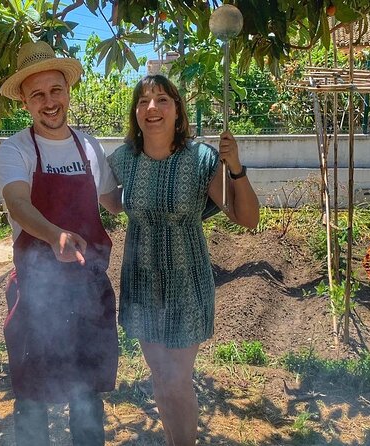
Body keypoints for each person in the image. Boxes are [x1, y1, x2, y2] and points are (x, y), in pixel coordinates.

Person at [107, 74, 260, 445]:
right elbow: (110, 201)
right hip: (141, 282)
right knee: (160, 376)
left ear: (178, 110)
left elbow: (247, 218)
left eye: (162, 99)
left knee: (177, 379)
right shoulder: (123, 159)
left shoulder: (201, 159)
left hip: (185, 283)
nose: (152, 108)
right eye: (143, 102)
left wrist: (235, 166)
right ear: (135, 113)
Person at [0, 41, 122, 446]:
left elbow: (114, 202)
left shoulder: (89, 146)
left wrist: (163, 183)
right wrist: (54, 235)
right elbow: (17, 203)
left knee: (87, 397)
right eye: (38, 95)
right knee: (32, 397)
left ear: (68, 91)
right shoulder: (15, 149)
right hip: (37, 294)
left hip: (88, 292)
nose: (49, 102)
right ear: (25, 103)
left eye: (55, 91)